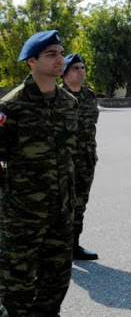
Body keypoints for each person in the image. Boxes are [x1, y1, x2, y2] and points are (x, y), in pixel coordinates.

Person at [0, 30, 79, 316]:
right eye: (51, 54)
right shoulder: (11, 106)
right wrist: (12, 199)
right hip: (22, 216)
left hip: (61, 211)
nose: (60, 59)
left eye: (60, 53)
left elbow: (71, 157)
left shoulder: (69, 103)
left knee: (56, 281)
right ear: (31, 61)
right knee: (16, 286)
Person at [61, 53, 100, 261]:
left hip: (86, 159)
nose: (81, 71)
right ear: (64, 73)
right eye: (75, 68)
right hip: (63, 162)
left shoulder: (89, 96)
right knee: (61, 205)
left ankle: (74, 246)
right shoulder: (56, 97)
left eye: (83, 67)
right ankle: (59, 249)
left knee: (80, 203)